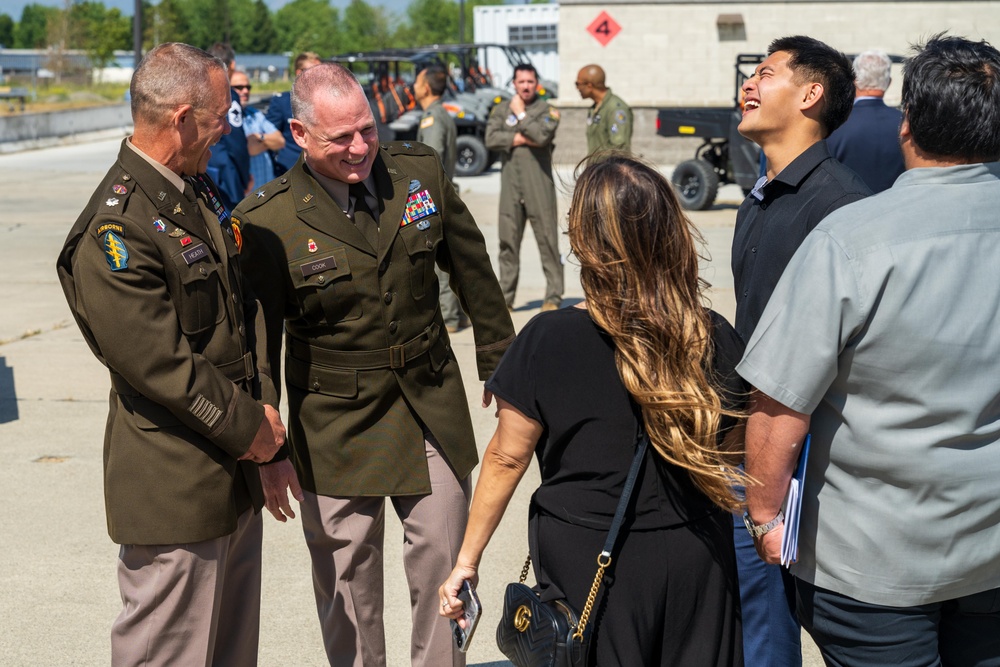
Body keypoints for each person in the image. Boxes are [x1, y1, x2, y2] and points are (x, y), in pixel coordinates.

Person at [232, 62, 515, 667]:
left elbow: (471, 267)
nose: (360, 148)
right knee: (347, 580)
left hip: (426, 404)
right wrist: (269, 445)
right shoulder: (266, 220)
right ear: (300, 134)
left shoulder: (418, 175)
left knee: (446, 560)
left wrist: (499, 358)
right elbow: (259, 345)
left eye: (367, 128)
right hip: (335, 422)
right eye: (341, 137)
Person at [739, 34, 1000, 666]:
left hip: (872, 563)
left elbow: (779, 402)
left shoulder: (850, 237)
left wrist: (766, 518)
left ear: (908, 125)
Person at [440, 154, 746, 665]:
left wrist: (466, 563)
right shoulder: (713, 335)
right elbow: (732, 450)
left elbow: (506, 459)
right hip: (698, 551)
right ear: (669, 231)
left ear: (583, 239)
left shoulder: (546, 338)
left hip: (588, 560)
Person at [54, 42, 285, 666]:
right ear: (181, 118)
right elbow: (161, 365)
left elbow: (246, 313)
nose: (224, 132)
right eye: (217, 118)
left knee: (232, 653)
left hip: (234, 473)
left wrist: (264, 427)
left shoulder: (195, 193)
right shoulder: (116, 230)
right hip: (176, 486)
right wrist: (252, 431)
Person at [731, 35, 870, 666]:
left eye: (765, 74)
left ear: (811, 94)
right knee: (761, 617)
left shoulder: (842, 208)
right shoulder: (759, 199)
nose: (747, 86)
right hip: (752, 433)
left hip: (808, 446)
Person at [485, 63, 562, 311]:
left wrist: (521, 116)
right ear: (514, 84)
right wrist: (517, 138)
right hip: (511, 186)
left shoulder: (548, 110)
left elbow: (542, 136)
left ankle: (553, 296)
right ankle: (505, 298)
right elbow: (491, 138)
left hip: (539, 185)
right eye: (521, 82)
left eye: (530, 81)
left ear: (536, 83)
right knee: (507, 242)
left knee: (548, 241)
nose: (526, 86)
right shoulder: (500, 109)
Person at [415, 63, 466, 334]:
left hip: (433, 196)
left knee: (438, 256)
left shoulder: (432, 117)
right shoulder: (439, 114)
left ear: (425, 87)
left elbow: (429, 160)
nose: (413, 87)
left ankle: (449, 314)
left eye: (416, 82)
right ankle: (457, 311)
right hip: (443, 193)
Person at [827, 50, 906, 193]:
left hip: (846, 209)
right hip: (895, 208)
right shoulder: (905, 124)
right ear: (888, 83)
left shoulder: (835, 123)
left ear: (853, 81)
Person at [206, 42, 252, 211]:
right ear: (232, 65)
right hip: (226, 176)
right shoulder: (229, 95)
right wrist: (244, 178)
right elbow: (236, 142)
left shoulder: (197, 91)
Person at [267, 51, 322, 176]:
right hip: (290, 170)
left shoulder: (326, 102)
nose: (319, 76)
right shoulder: (282, 102)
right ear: (299, 73)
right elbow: (270, 138)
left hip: (321, 170)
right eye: (315, 71)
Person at [231, 70, 285, 189]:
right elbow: (247, 148)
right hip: (246, 197)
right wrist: (267, 142)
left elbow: (280, 141)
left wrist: (258, 138)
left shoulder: (255, 113)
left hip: (267, 191)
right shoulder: (227, 119)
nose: (245, 91)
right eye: (239, 87)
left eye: (248, 87)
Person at [575, 64, 633, 154]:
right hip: (596, 166)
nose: (577, 88)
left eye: (578, 84)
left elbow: (619, 148)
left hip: (609, 167)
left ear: (589, 86)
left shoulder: (615, 109)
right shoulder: (595, 108)